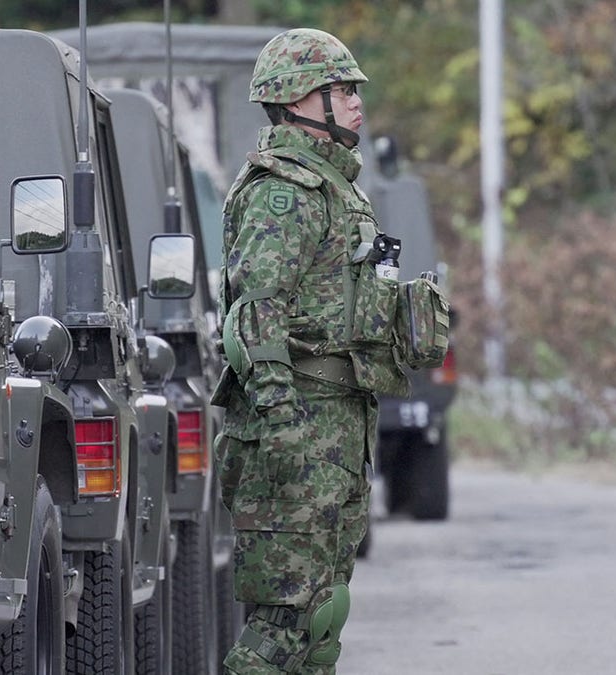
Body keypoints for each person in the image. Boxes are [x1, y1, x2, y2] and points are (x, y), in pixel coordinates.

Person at [211, 27, 408, 674]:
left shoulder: (332, 184)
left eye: (352, 89)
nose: (355, 102)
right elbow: (256, 308)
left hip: (339, 417)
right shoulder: (284, 190)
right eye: (340, 89)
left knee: (323, 615)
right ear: (298, 99)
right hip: (296, 420)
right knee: (284, 621)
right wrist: (282, 424)